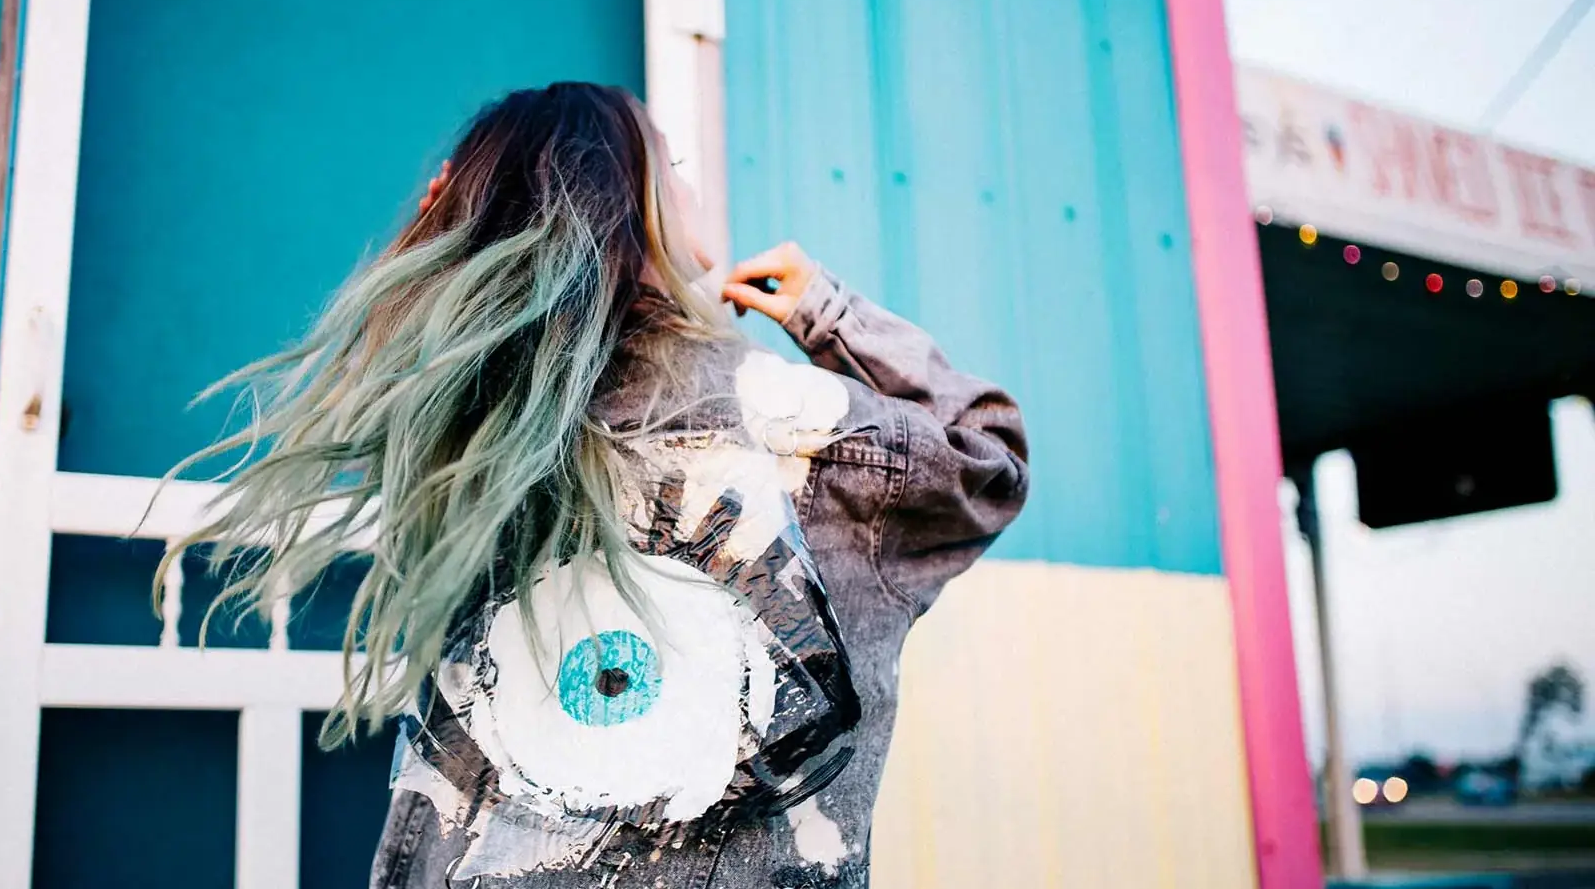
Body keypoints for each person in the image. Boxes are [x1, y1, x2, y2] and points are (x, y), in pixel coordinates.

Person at [168, 82, 1029, 887]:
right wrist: (825, 310)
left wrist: (447, 237)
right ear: (639, 203)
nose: (689, 187)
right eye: (673, 167)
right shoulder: (805, 435)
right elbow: (990, 459)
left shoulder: (473, 433)